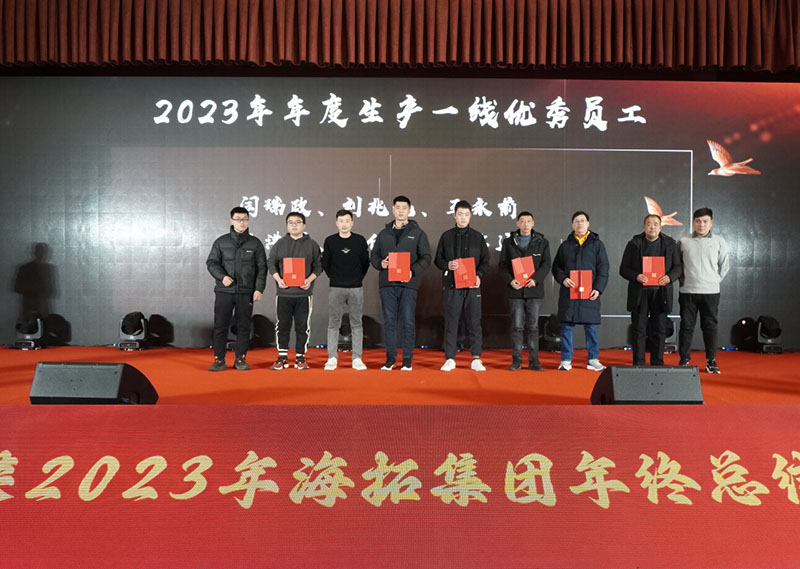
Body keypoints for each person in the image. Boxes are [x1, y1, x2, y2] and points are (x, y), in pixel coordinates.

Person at [370, 195, 431, 371]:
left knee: (408, 321)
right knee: (389, 322)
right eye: (398, 207)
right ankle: (390, 359)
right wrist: (381, 263)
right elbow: (374, 256)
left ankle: (407, 360)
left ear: (409, 210)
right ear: (393, 210)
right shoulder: (384, 233)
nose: (401, 211)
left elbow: (426, 258)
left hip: (408, 284)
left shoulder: (418, 233)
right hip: (387, 284)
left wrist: (412, 271)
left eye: (404, 208)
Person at [206, 206, 267, 371]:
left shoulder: (255, 243)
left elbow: (262, 268)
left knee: (244, 326)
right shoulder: (221, 242)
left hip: (245, 292)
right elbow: (211, 263)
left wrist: (259, 289)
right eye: (238, 219)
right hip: (224, 291)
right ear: (231, 220)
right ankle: (219, 359)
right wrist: (222, 277)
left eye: (245, 219)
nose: (242, 222)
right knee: (220, 325)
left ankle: (240, 358)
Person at [434, 200, 490, 372]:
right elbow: (438, 260)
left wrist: (479, 275)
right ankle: (450, 358)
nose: (463, 217)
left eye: (466, 214)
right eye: (460, 214)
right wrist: (447, 265)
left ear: (470, 216)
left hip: (472, 286)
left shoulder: (478, 237)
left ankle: (476, 358)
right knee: (451, 322)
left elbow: (485, 261)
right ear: (454, 216)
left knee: (474, 322)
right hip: (453, 286)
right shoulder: (446, 236)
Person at [619, 214, 681, 366]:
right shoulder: (634, 244)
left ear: (660, 227)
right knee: (639, 329)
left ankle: (657, 362)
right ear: (643, 227)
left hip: (661, 293)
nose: (652, 227)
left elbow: (678, 267)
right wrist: (636, 276)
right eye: (649, 224)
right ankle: (638, 362)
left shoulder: (670, 244)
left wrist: (669, 277)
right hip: (640, 293)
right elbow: (623, 269)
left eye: (655, 224)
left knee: (659, 329)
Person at [551, 211, 610, 371]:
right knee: (567, 327)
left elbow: (603, 268)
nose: (579, 224)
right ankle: (566, 360)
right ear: (572, 225)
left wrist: (598, 289)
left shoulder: (597, 245)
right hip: (569, 292)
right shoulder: (565, 245)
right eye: (576, 221)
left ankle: (593, 359)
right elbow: (556, 267)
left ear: (588, 224)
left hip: (589, 292)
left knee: (591, 327)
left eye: (582, 221)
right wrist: (563, 278)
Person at [677, 207, 730, 373]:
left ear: (711, 223)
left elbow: (724, 265)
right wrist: (683, 282)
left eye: (705, 221)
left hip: (711, 292)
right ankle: (684, 359)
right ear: (693, 222)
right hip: (688, 291)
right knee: (686, 326)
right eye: (698, 221)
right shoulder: (683, 241)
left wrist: (714, 281)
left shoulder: (719, 241)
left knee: (710, 327)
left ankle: (711, 361)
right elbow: (677, 265)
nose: (701, 224)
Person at [267, 212, 322, 370]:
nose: (294, 225)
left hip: (304, 294)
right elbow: (271, 263)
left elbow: (318, 266)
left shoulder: (311, 244)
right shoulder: (280, 244)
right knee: (282, 325)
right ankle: (282, 357)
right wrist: (278, 279)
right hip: (284, 293)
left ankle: (300, 357)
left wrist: (309, 280)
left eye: (298, 222)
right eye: (290, 222)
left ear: (304, 225)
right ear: (287, 225)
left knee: (302, 326)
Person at [500, 211, 552, 371]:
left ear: (533, 223)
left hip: (534, 290)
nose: (525, 224)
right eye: (522, 221)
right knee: (517, 327)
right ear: (517, 224)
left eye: (528, 221)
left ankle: (534, 361)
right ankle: (516, 361)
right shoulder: (508, 242)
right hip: (516, 290)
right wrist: (510, 280)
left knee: (533, 327)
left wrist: (535, 279)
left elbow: (546, 264)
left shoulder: (542, 242)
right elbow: (502, 265)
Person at [322, 209, 370, 371]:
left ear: (352, 223)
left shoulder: (360, 240)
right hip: (336, 287)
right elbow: (326, 263)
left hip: (356, 287)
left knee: (356, 323)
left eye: (347, 221)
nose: (344, 224)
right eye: (341, 221)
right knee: (333, 323)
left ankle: (357, 358)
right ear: (336, 223)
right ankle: (332, 357)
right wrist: (336, 277)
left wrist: (356, 278)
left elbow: (365, 263)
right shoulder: (330, 241)